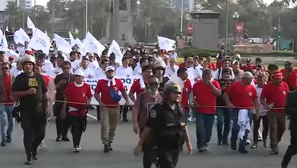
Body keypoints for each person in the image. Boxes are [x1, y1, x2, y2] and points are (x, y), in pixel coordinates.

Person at [134, 82, 192, 168]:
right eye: (175, 93)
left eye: (179, 93)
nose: (178, 95)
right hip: (162, 146)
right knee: (169, 166)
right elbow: (148, 128)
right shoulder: (158, 109)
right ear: (168, 94)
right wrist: (140, 144)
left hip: (176, 146)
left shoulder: (180, 108)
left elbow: (184, 126)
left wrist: (188, 142)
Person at [11, 54, 48, 165]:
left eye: (30, 64)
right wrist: (26, 93)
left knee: (41, 134)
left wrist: (47, 107)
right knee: (28, 132)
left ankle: (33, 148)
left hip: (39, 110)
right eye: (26, 64)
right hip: (26, 110)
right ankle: (29, 155)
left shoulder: (39, 77)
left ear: (33, 66)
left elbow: (45, 94)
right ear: (23, 66)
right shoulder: (20, 78)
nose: (28, 67)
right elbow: (13, 94)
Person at [94, 66, 130, 153]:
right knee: (105, 125)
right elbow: (96, 93)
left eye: (112, 72)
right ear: (106, 73)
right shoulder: (101, 82)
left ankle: (110, 141)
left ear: (114, 72)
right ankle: (105, 142)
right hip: (105, 107)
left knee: (113, 127)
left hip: (116, 107)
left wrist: (127, 100)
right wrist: (100, 102)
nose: (110, 73)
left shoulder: (118, 81)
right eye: (109, 72)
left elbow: (123, 92)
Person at [223, 72, 260, 153]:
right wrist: (228, 103)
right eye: (250, 79)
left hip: (248, 111)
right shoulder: (235, 85)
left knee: (247, 128)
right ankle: (234, 139)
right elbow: (225, 94)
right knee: (236, 126)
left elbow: (255, 100)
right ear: (245, 79)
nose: (251, 81)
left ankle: (242, 146)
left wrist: (257, 112)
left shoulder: (252, 88)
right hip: (237, 110)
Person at [132, 75, 164, 168]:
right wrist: (135, 123)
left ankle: (157, 160)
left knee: (160, 150)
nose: (154, 85)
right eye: (151, 83)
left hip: (160, 129)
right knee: (147, 151)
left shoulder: (162, 96)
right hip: (145, 128)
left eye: (156, 83)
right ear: (148, 84)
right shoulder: (142, 96)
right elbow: (136, 109)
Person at [61, 69, 92, 153]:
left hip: (82, 111)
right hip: (72, 110)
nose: (78, 78)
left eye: (80, 77)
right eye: (77, 76)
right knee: (74, 127)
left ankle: (77, 142)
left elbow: (89, 96)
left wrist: (88, 103)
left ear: (83, 78)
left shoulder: (86, 86)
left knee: (81, 128)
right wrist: (63, 109)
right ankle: (76, 143)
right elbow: (66, 98)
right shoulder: (70, 86)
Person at [260, 70, 290, 154]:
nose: (279, 80)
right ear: (272, 78)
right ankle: (274, 146)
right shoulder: (267, 87)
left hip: (282, 111)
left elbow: (288, 96)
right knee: (273, 128)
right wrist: (266, 105)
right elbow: (262, 98)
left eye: (280, 78)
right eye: (277, 79)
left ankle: (276, 142)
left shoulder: (284, 85)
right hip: (272, 111)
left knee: (282, 128)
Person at [193, 69, 221, 152]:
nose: (207, 78)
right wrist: (195, 103)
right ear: (202, 77)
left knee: (208, 129)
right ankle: (200, 145)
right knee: (200, 128)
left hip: (211, 111)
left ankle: (205, 142)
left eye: (209, 76)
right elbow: (192, 96)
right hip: (199, 110)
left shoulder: (215, 83)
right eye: (205, 76)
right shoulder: (196, 85)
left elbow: (218, 93)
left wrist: (210, 85)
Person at [54, 61, 74, 142]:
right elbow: (55, 88)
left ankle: (64, 134)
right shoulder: (58, 77)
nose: (66, 70)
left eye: (68, 68)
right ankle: (58, 134)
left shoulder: (73, 77)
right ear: (62, 69)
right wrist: (60, 83)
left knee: (68, 118)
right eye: (64, 68)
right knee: (59, 118)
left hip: (70, 100)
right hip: (60, 99)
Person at [216, 68, 234, 145]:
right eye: (225, 73)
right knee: (220, 121)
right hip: (220, 105)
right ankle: (219, 138)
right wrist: (222, 89)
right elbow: (216, 91)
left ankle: (225, 138)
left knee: (228, 123)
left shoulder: (233, 82)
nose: (227, 75)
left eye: (228, 73)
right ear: (222, 74)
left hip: (229, 106)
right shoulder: (218, 82)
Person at [0, 62, 16, 146]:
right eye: (3, 68)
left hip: (12, 103)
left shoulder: (13, 78)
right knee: (4, 120)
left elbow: (17, 90)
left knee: (11, 123)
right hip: (2, 103)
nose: (4, 70)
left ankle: (9, 134)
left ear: (9, 69)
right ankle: (4, 137)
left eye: (6, 68)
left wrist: (16, 97)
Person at [281, 89, 297, 168]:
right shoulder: (292, 95)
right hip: (295, 126)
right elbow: (287, 109)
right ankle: (284, 164)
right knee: (294, 146)